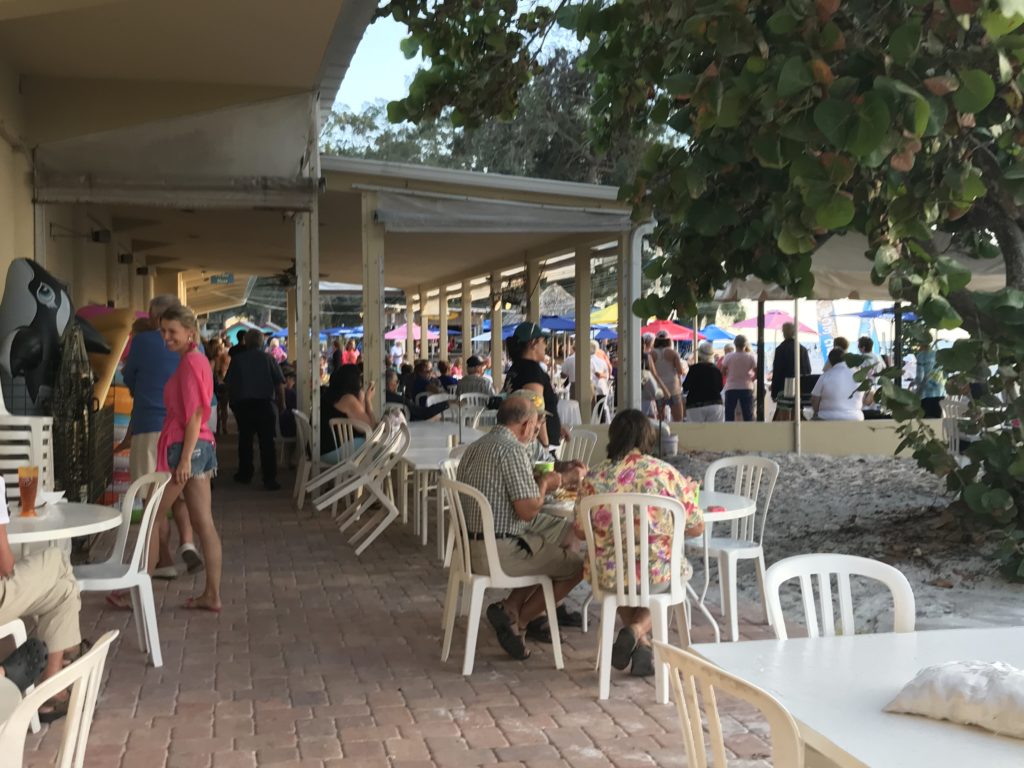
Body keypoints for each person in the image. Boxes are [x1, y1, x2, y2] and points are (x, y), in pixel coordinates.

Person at [575, 410, 703, 677]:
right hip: (657, 573)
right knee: (669, 574)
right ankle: (636, 633)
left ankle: (638, 641)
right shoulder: (666, 475)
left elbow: (578, 532)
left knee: (622, 578)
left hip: (608, 575)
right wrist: (690, 493)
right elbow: (695, 528)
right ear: (648, 437)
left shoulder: (594, 479)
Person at [457, 396, 584, 660]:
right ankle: (520, 621)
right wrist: (548, 483)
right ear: (526, 425)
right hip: (501, 552)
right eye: (536, 425)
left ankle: (511, 607)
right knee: (580, 566)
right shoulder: (512, 450)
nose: (536, 431)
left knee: (552, 546)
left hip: (471, 548)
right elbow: (528, 510)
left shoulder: (475, 447)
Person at [122, 294, 201, 581]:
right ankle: (188, 543)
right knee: (177, 494)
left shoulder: (142, 343)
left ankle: (162, 560)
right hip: (184, 433)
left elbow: (129, 378)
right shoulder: (194, 348)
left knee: (152, 498)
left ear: (156, 319)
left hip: (150, 426)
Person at [152, 304, 223, 613]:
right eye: (163, 331)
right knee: (203, 522)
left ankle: (130, 588)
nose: (166, 337)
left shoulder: (192, 363)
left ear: (190, 333)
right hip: (199, 447)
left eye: (172, 332)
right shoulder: (195, 361)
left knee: (153, 515)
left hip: (189, 447)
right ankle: (212, 594)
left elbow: (195, 414)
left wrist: (183, 461)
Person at [225, 328, 286, 491]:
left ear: (246, 341)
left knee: (245, 440)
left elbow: (230, 383)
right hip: (265, 405)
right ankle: (269, 478)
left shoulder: (237, 360)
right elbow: (279, 384)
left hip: (244, 405)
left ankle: (245, 474)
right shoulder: (269, 359)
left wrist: (231, 402)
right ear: (261, 342)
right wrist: (282, 404)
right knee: (267, 442)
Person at [504, 322, 565, 449]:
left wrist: (558, 427)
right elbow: (536, 409)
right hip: (536, 444)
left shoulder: (516, 368)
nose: (546, 345)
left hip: (520, 439)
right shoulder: (532, 371)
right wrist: (545, 445)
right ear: (533, 343)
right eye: (544, 340)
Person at [320, 364, 377, 462]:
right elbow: (369, 427)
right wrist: (368, 400)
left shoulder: (329, 395)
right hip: (332, 452)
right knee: (377, 446)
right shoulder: (348, 399)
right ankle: (370, 476)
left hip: (319, 448)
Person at [811, 348, 867, 421]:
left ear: (830, 361)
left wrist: (816, 412)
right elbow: (868, 399)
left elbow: (815, 400)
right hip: (855, 418)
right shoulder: (859, 375)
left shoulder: (825, 376)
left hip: (827, 418)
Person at [683, 341, 725, 422]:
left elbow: (686, 386)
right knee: (715, 433)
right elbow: (720, 387)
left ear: (699, 354)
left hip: (695, 404)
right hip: (715, 403)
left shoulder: (694, 369)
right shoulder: (716, 370)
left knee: (695, 432)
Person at [770, 322, 811, 403]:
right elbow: (807, 370)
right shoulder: (802, 349)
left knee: (784, 411)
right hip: (800, 389)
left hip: (783, 389)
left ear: (784, 333)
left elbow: (777, 372)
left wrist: (774, 392)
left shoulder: (780, 350)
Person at [649, 330, 684, 421]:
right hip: (673, 387)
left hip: (658, 387)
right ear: (669, 340)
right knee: (678, 417)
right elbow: (680, 371)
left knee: (660, 417)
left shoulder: (651, 354)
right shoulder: (673, 353)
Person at [721, 334, 757, 421]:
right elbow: (757, 371)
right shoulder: (751, 357)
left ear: (735, 344)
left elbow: (722, 371)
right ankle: (748, 432)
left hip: (731, 387)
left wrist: (729, 375)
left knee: (729, 414)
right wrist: (752, 379)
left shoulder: (728, 356)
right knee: (748, 414)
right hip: (746, 387)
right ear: (745, 345)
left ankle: (730, 432)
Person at [915, 335, 945, 418]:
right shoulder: (938, 354)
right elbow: (945, 374)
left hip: (926, 394)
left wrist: (915, 384)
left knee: (927, 421)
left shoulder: (921, 356)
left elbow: (920, 377)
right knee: (937, 419)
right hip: (940, 391)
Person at [590, 340, 611, 419]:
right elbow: (607, 373)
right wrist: (603, 375)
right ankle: (602, 423)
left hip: (594, 387)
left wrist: (600, 375)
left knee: (594, 409)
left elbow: (596, 374)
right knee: (602, 408)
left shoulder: (589, 360)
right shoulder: (601, 361)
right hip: (602, 387)